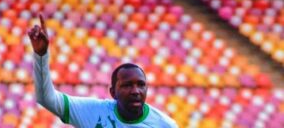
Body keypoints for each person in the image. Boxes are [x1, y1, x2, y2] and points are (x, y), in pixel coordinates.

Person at [28, 14, 178, 128]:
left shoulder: (164, 124)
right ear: (113, 92)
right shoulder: (94, 112)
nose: (135, 91)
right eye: (127, 85)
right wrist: (41, 56)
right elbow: (46, 99)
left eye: (141, 85)